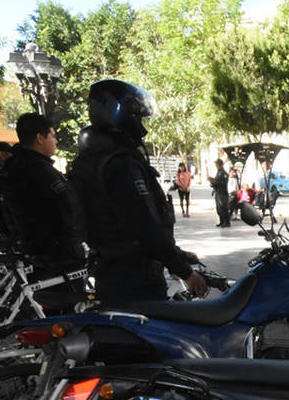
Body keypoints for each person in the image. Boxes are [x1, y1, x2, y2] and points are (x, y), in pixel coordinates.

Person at [71, 79, 206, 304]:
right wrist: (185, 272)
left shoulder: (92, 159)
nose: (141, 123)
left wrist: (178, 254)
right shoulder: (121, 163)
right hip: (136, 278)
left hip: (110, 272)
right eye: (138, 116)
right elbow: (144, 227)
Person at [2, 113, 87, 268]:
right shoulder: (40, 170)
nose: (55, 141)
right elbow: (67, 206)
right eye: (52, 136)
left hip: (37, 248)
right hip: (56, 253)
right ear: (40, 138)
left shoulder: (17, 165)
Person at [210, 159, 231, 227]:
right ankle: (221, 221)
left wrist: (214, 181)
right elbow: (216, 181)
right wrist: (212, 181)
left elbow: (222, 183)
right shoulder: (218, 172)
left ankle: (226, 222)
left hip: (222, 193)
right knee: (219, 208)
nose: (216, 165)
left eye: (217, 164)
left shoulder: (224, 173)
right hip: (218, 192)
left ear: (220, 164)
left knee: (223, 207)